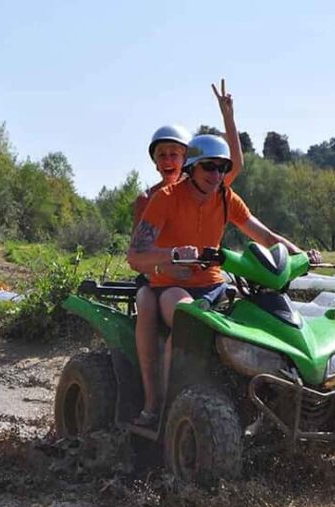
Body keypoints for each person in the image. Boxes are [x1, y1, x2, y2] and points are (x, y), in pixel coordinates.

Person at [127, 134, 322, 427]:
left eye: (222, 168)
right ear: (192, 167)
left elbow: (266, 237)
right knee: (187, 318)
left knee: (252, 322)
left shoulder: (226, 198)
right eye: (209, 167)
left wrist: (301, 255)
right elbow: (136, 255)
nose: (216, 175)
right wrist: (174, 254)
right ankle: (161, 407)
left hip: (216, 285)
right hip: (171, 284)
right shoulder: (165, 199)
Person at [130, 80, 243, 427]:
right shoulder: (151, 199)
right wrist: (168, 265)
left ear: (187, 159)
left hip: (203, 279)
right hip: (162, 279)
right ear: (154, 162)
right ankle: (154, 402)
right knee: (147, 305)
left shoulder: (210, 190)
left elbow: (234, 163)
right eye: (162, 155)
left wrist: (228, 116)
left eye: (175, 154)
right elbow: (140, 251)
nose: (169, 161)